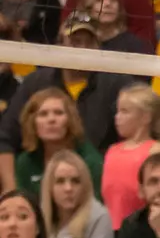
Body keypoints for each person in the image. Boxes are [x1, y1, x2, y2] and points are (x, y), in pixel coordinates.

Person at [0, 17, 140, 190]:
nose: (80, 49)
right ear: (59, 45)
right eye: (74, 42)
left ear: (97, 47)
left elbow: (139, 134)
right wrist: (11, 191)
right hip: (39, 177)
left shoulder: (117, 83)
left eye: (87, 43)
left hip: (98, 180)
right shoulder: (36, 82)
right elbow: (4, 138)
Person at [11, 88, 104, 201]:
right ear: (32, 122)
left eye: (58, 113)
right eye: (43, 114)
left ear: (70, 119)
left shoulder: (90, 160)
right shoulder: (25, 162)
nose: (51, 119)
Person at [102, 84, 160, 230]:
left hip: (143, 231)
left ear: (145, 117)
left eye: (125, 112)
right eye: (117, 111)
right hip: (111, 233)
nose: (117, 117)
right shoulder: (112, 151)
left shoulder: (156, 150)